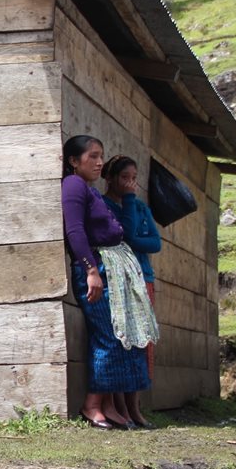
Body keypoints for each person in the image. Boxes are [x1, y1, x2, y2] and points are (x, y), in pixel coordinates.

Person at [62, 136, 154, 430]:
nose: (100, 162)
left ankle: (106, 406)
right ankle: (91, 405)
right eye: (93, 156)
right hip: (97, 268)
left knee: (122, 335)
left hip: (111, 267)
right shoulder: (74, 186)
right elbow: (75, 231)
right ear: (74, 161)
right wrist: (91, 270)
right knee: (109, 334)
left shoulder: (89, 190)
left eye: (101, 156)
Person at [102, 154, 162, 429]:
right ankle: (119, 407)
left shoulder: (140, 207)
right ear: (111, 178)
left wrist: (135, 238)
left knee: (142, 342)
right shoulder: (105, 205)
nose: (130, 184)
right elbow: (122, 235)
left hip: (143, 276)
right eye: (124, 178)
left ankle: (134, 406)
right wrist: (127, 204)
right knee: (122, 339)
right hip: (118, 279)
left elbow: (154, 244)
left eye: (133, 179)